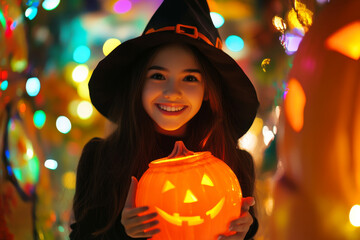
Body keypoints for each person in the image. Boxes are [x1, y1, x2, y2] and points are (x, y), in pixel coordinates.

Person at [70, 0, 259, 239]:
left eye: (190, 79)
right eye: (158, 76)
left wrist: (243, 233)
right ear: (138, 84)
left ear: (207, 93)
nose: (172, 92)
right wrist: (122, 231)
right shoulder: (101, 160)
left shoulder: (235, 163)